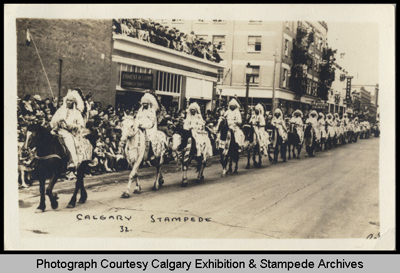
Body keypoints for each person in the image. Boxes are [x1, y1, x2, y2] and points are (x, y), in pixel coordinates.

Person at [50, 89, 87, 172]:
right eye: (68, 100)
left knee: (69, 141)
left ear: (74, 102)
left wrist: (72, 126)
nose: (69, 102)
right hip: (58, 130)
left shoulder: (77, 113)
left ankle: (72, 162)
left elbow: (81, 125)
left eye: (71, 101)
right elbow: (52, 122)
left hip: (69, 133)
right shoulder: (60, 110)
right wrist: (57, 122)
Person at [135, 92, 159, 160]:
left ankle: (151, 155)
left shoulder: (152, 111)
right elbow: (137, 118)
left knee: (150, 140)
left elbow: (152, 121)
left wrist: (146, 125)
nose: (144, 105)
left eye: (146, 104)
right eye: (143, 103)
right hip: (140, 127)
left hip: (149, 128)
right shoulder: (140, 111)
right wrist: (138, 124)